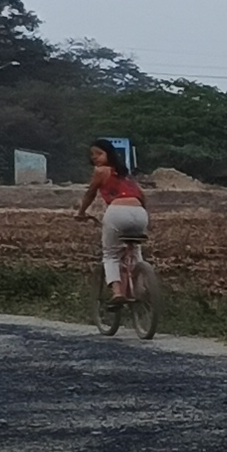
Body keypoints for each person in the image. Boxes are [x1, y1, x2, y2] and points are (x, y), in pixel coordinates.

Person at [78, 139, 151, 331]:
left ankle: (118, 292)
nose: (95, 158)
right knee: (136, 252)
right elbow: (143, 197)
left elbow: (90, 193)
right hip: (140, 214)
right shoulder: (127, 176)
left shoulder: (101, 171)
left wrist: (81, 212)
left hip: (117, 212)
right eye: (93, 155)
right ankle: (141, 287)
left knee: (110, 255)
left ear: (108, 154)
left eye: (98, 153)